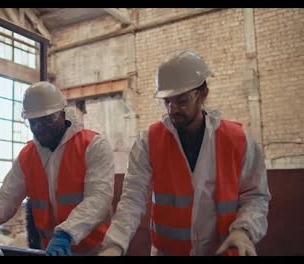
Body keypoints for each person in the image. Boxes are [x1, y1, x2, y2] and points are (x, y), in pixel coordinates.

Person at [98, 50, 271, 256]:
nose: (173, 110)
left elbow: (255, 196)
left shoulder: (237, 140)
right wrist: (114, 244)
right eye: (167, 101)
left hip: (222, 251)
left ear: (202, 94)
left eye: (182, 101)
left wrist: (243, 230)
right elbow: (132, 199)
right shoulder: (148, 142)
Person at [0, 81, 115, 256]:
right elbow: (5, 200)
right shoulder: (27, 155)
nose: (40, 129)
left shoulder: (92, 146)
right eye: (34, 122)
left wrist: (66, 233)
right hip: (51, 250)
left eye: (47, 121)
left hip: (95, 249)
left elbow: (99, 199)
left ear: (62, 114)